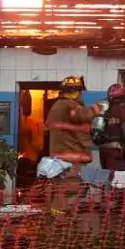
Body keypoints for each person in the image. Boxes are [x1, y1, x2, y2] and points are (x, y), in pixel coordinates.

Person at [45, 76, 102, 205]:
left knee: (61, 189)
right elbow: (82, 115)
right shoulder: (70, 105)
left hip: (59, 156)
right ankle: (64, 220)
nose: (81, 95)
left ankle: (58, 217)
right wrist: (98, 107)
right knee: (70, 189)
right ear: (75, 92)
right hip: (71, 157)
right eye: (80, 92)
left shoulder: (57, 106)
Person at [91, 84, 125, 171]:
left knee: (107, 173)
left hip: (103, 148)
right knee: (116, 175)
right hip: (116, 149)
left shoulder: (103, 109)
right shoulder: (123, 109)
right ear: (122, 96)